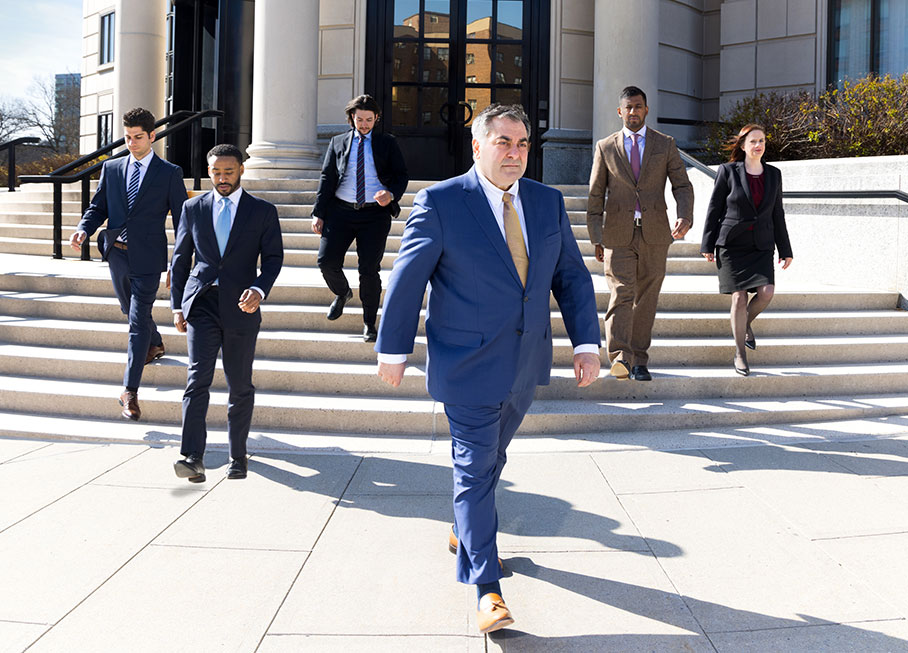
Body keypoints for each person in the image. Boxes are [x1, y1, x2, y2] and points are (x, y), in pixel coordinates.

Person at [375, 104, 601, 634]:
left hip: (525, 364)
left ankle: (462, 527)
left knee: (492, 458)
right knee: (475, 467)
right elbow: (408, 280)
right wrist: (393, 349)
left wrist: (586, 343)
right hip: (466, 363)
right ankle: (486, 588)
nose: (515, 153)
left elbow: (570, 277)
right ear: (477, 146)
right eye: (503, 142)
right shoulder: (441, 201)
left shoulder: (547, 202)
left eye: (522, 144)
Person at [170, 144, 283, 482]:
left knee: (239, 384)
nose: (221, 178)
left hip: (241, 306)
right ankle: (192, 457)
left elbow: (274, 259)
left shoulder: (262, 211)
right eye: (216, 172)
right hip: (201, 303)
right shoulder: (193, 207)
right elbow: (180, 260)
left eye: (228, 172)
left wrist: (260, 289)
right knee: (197, 380)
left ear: (241, 171)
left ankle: (238, 456)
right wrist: (178, 305)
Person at [69, 107, 187, 421]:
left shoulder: (169, 173)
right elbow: (98, 207)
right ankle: (157, 343)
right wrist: (84, 228)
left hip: (149, 258)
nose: (132, 143)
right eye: (127, 137)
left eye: (138, 137)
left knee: (136, 322)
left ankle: (129, 392)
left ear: (152, 136)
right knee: (130, 310)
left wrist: (179, 261)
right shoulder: (112, 168)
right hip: (117, 253)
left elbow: (183, 222)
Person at [587, 86, 694, 381]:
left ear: (647, 110)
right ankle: (620, 357)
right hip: (617, 234)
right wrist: (596, 236)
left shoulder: (665, 144)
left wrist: (685, 215)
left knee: (646, 298)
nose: (633, 112)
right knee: (622, 292)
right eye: (628, 108)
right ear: (620, 112)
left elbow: (682, 185)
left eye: (638, 107)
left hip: (655, 233)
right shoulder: (606, 147)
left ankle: (639, 360)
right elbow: (596, 195)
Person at [311, 94, 409, 342]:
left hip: (374, 215)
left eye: (369, 119)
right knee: (326, 261)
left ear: (376, 118)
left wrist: (391, 195)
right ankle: (342, 293)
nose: (364, 124)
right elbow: (327, 178)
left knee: (369, 271)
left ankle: (369, 324)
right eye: (359, 119)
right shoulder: (338, 142)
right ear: (351, 119)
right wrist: (318, 212)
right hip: (340, 212)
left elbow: (401, 176)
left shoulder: (387, 143)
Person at [700, 124, 793, 376]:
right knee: (739, 297)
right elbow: (714, 209)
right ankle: (740, 353)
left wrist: (785, 249)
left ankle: (746, 324)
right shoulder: (728, 171)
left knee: (766, 292)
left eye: (761, 140)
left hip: (761, 245)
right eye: (752, 141)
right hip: (731, 245)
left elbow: (777, 213)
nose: (758, 145)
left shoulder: (774, 174)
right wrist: (707, 244)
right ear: (742, 146)